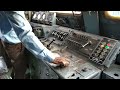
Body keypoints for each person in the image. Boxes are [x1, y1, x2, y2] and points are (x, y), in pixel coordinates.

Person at [0, 11, 70, 79]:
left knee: (16, 65)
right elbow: (26, 35)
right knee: (20, 69)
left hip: (7, 39)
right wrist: (51, 57)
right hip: (14, 43)